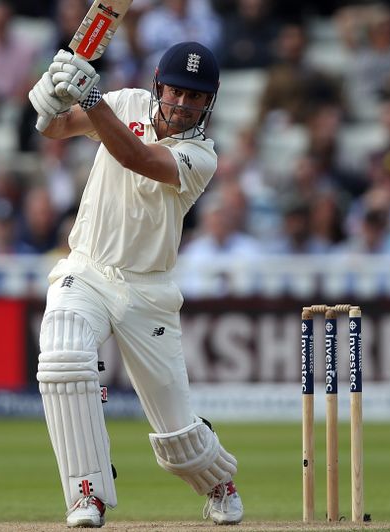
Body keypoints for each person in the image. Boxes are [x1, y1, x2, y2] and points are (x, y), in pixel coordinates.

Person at [27, 42, 243, 528]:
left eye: (196, 97)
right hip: (87, 268)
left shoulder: (200, 156)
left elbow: (137, 158)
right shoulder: (123, 102)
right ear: (158, 84)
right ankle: (88, 492)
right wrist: (46, 103)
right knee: (62, 353)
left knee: (178, 439)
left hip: (149, 293)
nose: (184, 104)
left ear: (210, 103)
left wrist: (89, 99)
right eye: (177, 91)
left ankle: (218, 481)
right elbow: (59, 129)